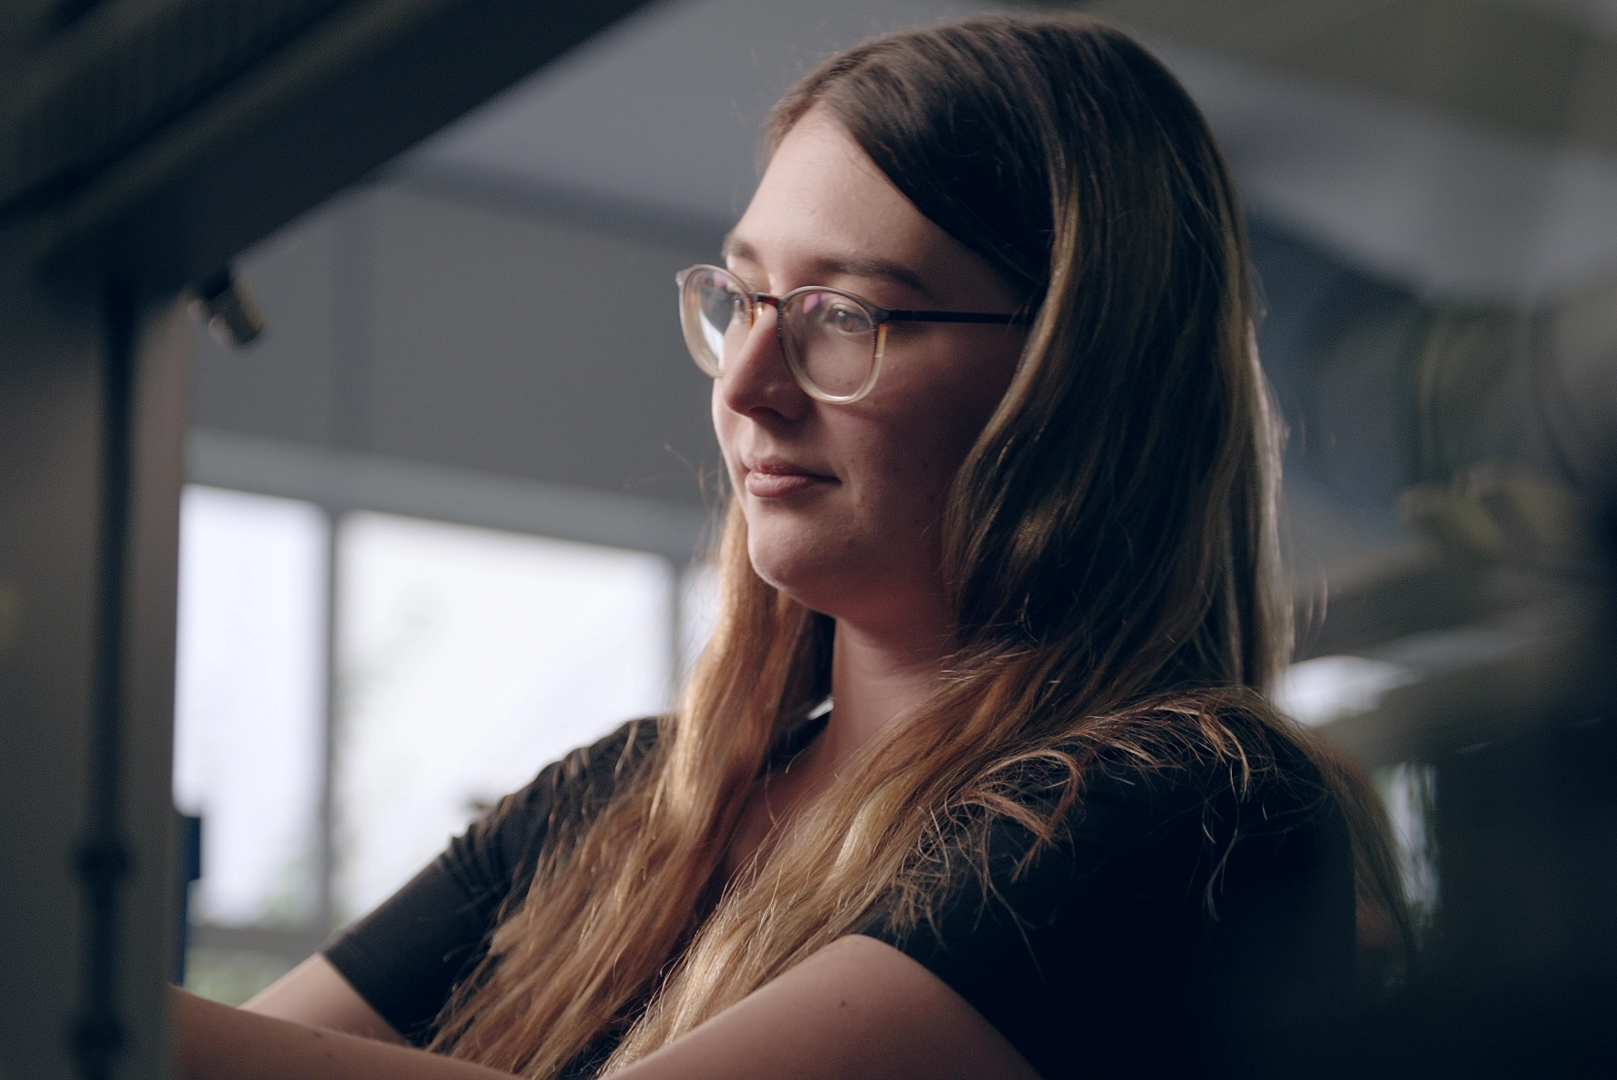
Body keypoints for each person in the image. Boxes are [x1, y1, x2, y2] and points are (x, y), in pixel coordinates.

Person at [175, 12, 1407, 1080]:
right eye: (744, 299)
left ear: (1075, 375)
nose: (748, 384)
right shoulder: (612, 808)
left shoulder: (1188, 810)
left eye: (843, 315)